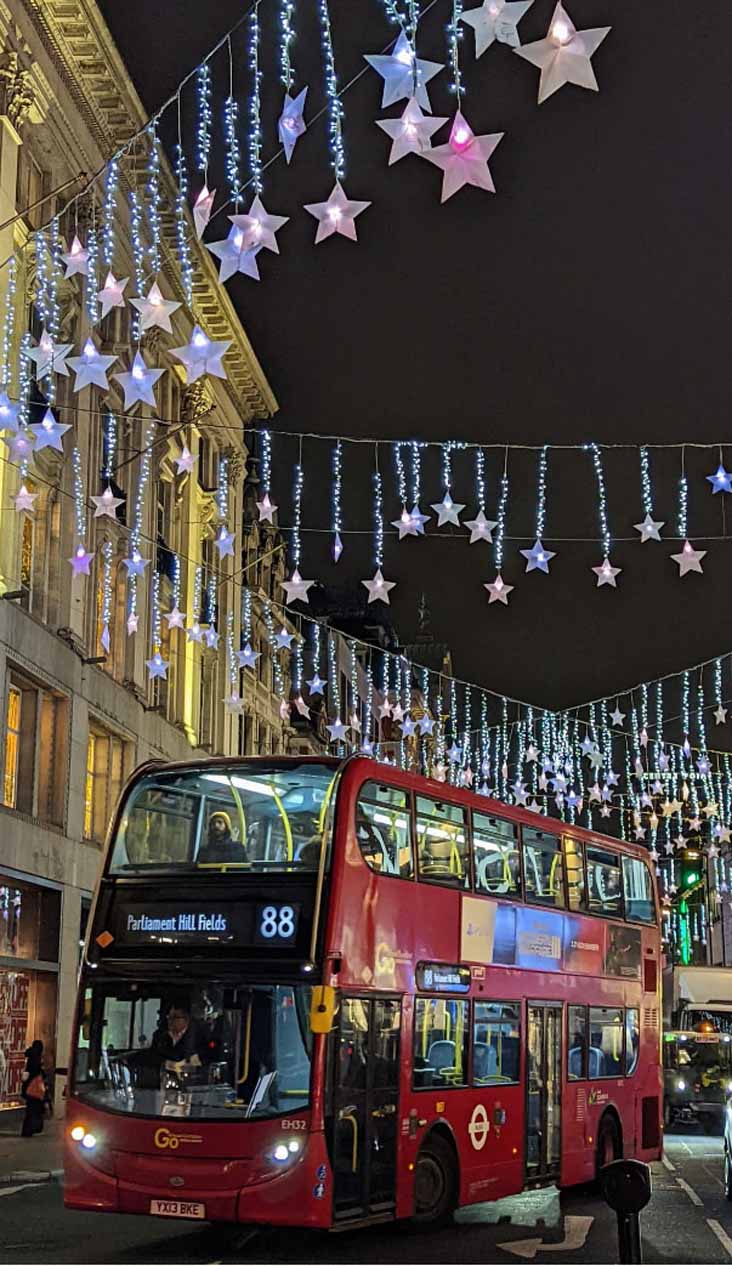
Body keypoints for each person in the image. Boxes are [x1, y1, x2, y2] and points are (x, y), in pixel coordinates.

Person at [20, 1040, 47, 1137]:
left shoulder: (30, 1056)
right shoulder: (36, 1058)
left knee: (30, 1110)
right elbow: (36, 1072)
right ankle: (30, 1129)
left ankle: (29, 1130)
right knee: (33, 1110)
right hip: (34, 1088)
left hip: (29, 1088)